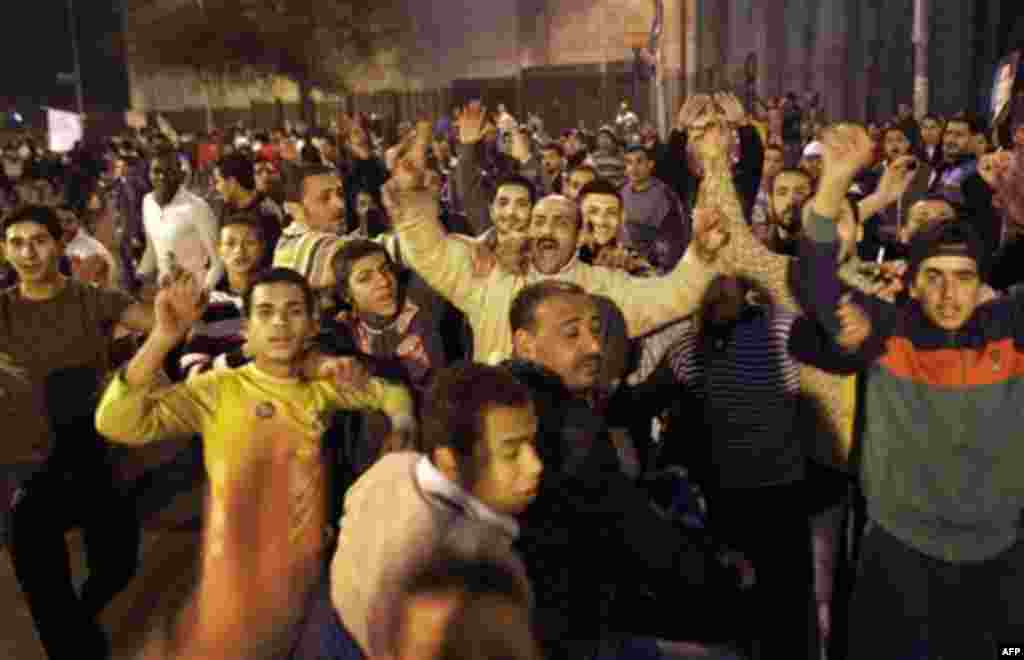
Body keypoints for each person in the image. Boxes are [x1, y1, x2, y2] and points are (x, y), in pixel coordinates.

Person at [795, 123, 1024, 659]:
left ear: (982, 282)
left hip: (1000, 560)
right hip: (899, 559)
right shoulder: (884, 329)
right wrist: (832, 184)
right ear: (910, 281)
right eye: (934, 277)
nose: (949, 294)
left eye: (963, 276)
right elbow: (813, 281)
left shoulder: (1011, 327)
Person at [95, 267, 416, 555]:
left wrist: (402, 423)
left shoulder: (323, 383)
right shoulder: (216, 389)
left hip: (314, 555)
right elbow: (116, 421)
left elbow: (389, 392)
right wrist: (162, 338)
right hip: (239, 561)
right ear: (246, 330)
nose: (279, 322)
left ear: (312, 326)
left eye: (294, 311)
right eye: (265, 312)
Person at [382, 134, 729, 366]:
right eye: (540, 221)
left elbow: (676, 294)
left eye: (561, 223)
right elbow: (430, 252)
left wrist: (704, 251)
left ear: (580, 237)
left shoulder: (605, 287)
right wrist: (410, 195)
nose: (546, 232)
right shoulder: (492, 277)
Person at [2, 205, 164, 659]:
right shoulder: (3, 309)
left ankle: (81, 617)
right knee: (41, 578)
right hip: (26, 460)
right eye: (16, 242)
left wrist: (172, 315)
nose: (28, 252)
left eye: (38, 240)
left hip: (93, 451)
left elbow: (152, 323)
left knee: (117, 562)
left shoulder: (92, 298)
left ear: (58, 243)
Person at [301, 362, 541, 659]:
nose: (535, 466)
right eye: (511, 453)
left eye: (532, 444)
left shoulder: (389, 468)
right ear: (450, 461)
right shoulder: (470, 563)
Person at [177, 212, 268, 379]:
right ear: (219, 250)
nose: (240, 251)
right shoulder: (208, 305)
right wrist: (243, 354)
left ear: (262, 248)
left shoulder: (277, 296)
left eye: (249, 243)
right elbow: (192, 374)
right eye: (230, 243)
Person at [138, 148, 224, 292]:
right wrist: (140, 277)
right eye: (156, 171)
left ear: (181, 175)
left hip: (193, 291)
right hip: (164, 292)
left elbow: (218, 261)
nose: (162, 177)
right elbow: (152, 249)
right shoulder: (147, 202)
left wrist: (203, 292)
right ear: (149, 174)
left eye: (169, 171)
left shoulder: (197, 207)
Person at [620, 145, 689, 271]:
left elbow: (675, 237)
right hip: (626, 264)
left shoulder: (664, 194)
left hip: (656, 266)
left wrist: (661, 265)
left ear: (650, 164)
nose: (634, 168)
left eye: (639, 161)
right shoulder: (622, 193)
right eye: (629, 162)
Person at [213, 153, 285, 266]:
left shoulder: (267, 212)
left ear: (232, 182)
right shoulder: (225, 209)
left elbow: (273, 259)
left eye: (218, 181)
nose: (216, 187)